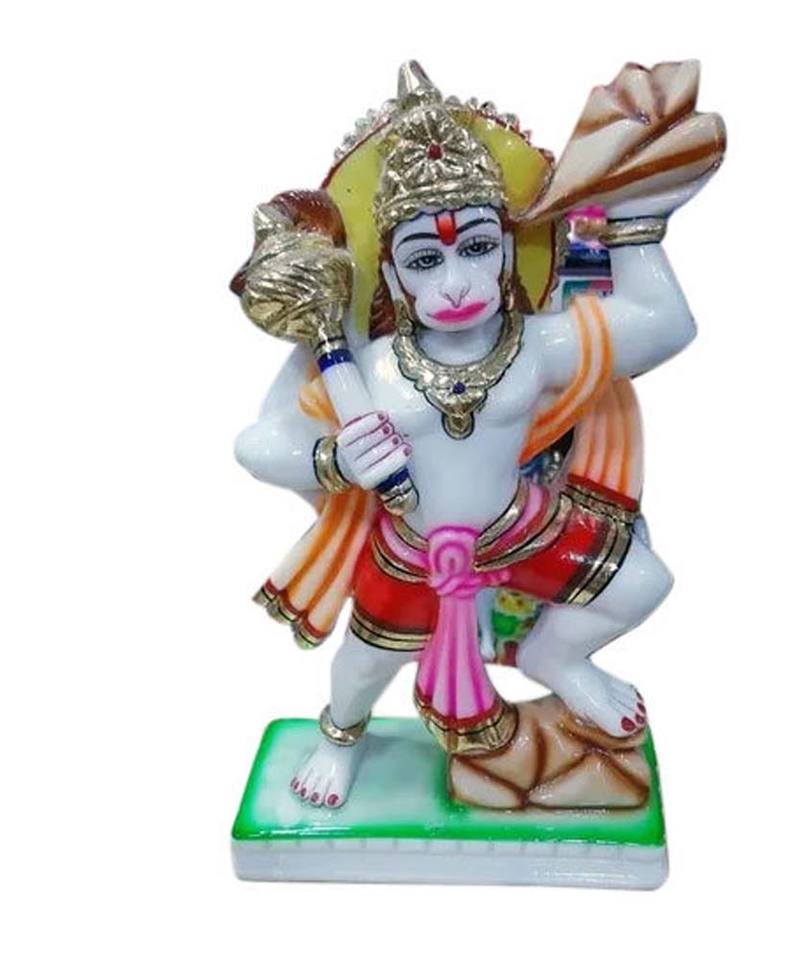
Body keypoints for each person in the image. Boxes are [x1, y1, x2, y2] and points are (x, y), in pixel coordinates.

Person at [234, 62, 708, 808]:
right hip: (414, 548)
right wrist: (333, 460)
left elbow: (664, 326)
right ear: (393, 276)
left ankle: (557, 658)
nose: (454, 282)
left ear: (510, 251)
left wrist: (637, 220)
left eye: (478, 247)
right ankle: (340, 738)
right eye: (426, 260)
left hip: (520, 526)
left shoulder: (537, 347)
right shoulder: (368, 364)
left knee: (642, 584)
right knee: (362, 666)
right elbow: (259, 444)